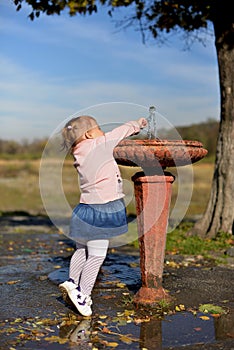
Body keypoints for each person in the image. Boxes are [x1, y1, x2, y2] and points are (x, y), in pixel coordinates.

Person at [59, 115, 147, 317]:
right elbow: (120, 132)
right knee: (97, 255)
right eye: (99, 128)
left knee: (81, 250)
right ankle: (82, 294)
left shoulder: (79, 152)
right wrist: (137, 125)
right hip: (103, 209)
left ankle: (72, 282)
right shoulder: (99, 145)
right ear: (90, 134)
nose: (102, 132)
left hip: (84, 210)